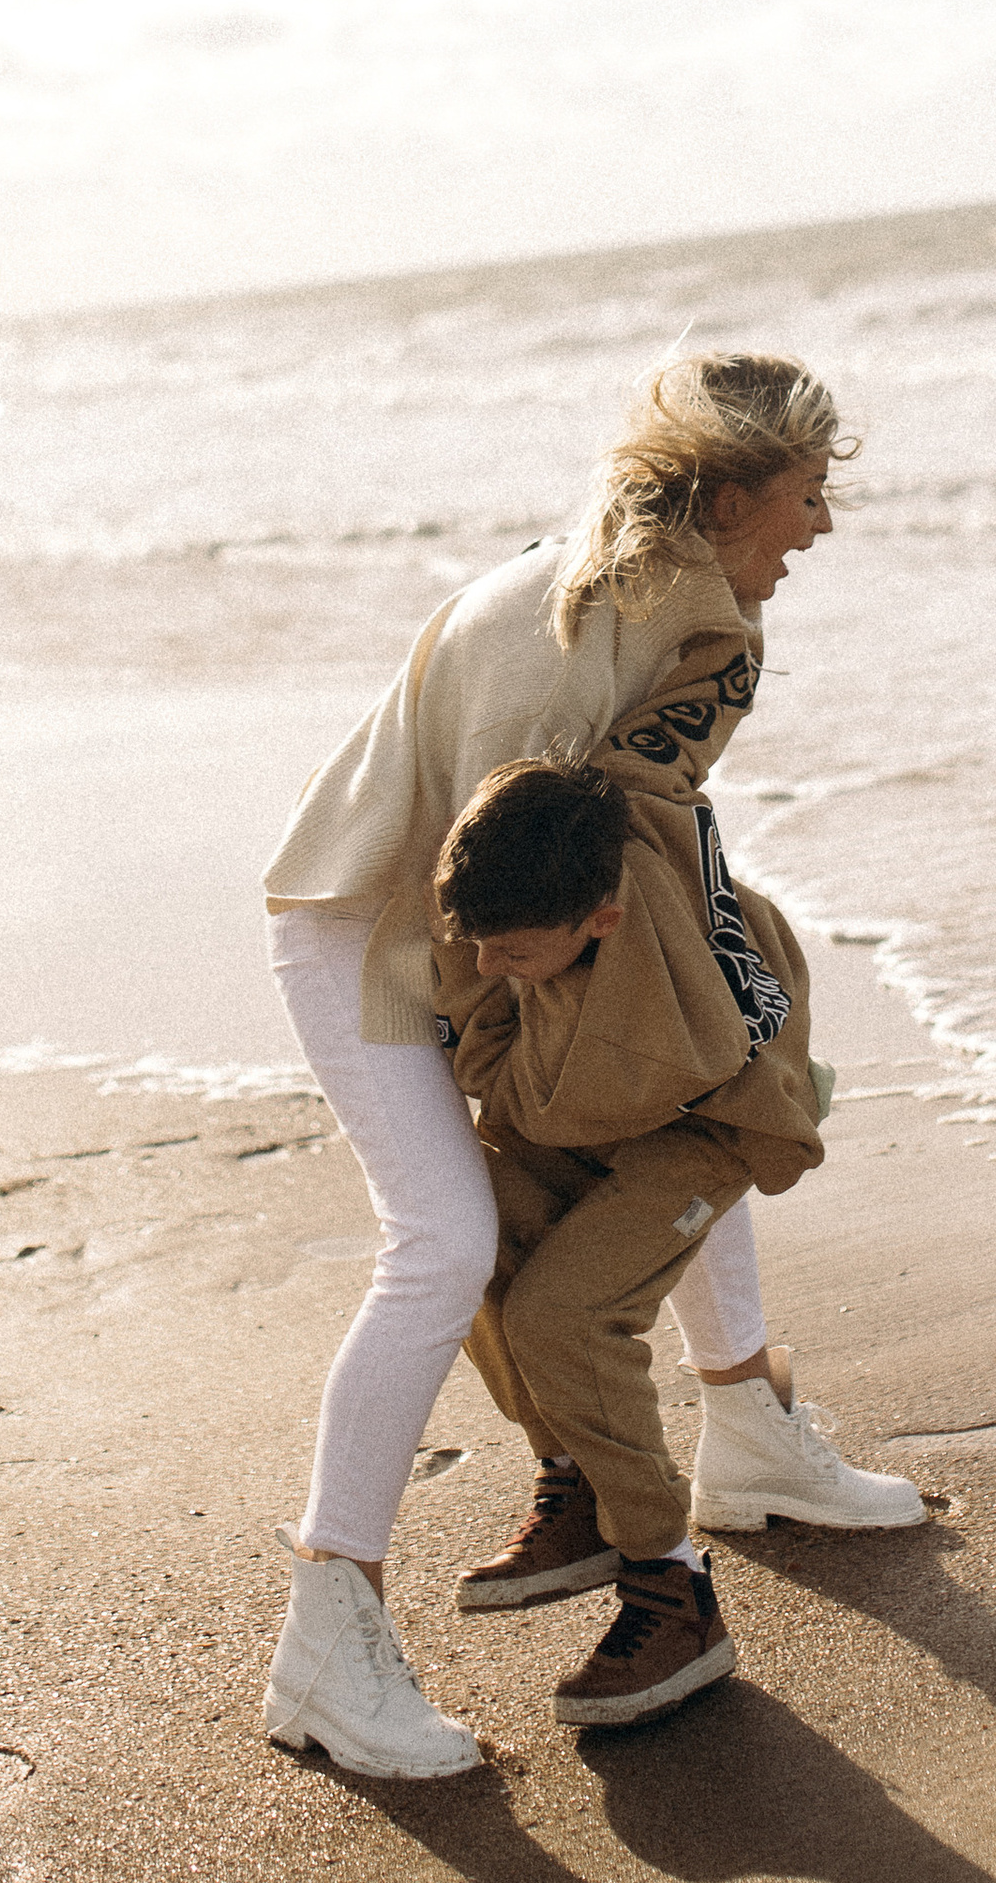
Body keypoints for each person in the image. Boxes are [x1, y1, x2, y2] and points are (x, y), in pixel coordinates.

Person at [260, 354, 925, 1782]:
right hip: (389, 938)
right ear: (734, 494)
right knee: (443, 1249)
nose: (819, 528)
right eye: (809, 496)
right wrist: (531, 1045)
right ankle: (329, 1628)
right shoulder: (616, 620)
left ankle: (744, 1429)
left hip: (461, 920)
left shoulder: (650, 587)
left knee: (679, 1078)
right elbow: (487, 891)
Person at [431, 732, 821, 1726]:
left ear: (600, 921)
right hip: (591, 1110)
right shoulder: (537, 871)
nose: (484, 964)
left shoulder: (657, 1009)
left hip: (700, 1125)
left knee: (564, 1319)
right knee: (457, 1232)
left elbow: (532, 1095)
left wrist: (497, 1054)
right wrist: (496, 974)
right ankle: (575, 1484)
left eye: (510, 955)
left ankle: (669, 1584)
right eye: (474, 940)